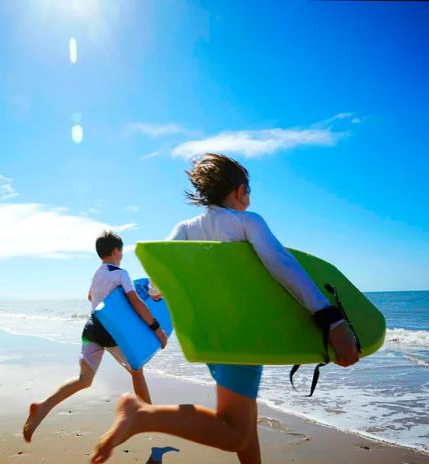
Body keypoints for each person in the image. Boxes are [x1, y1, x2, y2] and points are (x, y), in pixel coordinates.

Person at [91, 154, 360, 464]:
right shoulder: (247, 221)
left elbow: (156, 285)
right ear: (239, 189)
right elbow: (281, 264)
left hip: (207, 340)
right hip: (241, 336)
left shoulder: (186, 228)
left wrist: (156, 290)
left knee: (243, 420)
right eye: (249, 191)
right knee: (235, 432)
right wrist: (331, 319)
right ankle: (142, 415)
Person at [23, 231, 168, 442]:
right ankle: (150, 417)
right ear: (116, 251)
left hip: (92, 328)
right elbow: (136, 302)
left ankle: (42, 406)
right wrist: (156, 328)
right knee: (136, 370)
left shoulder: (98, 273)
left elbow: (90, 297)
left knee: (84, 379)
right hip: (112, 333)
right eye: (122, 250)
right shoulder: (121, 273)